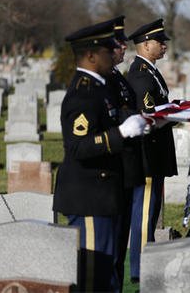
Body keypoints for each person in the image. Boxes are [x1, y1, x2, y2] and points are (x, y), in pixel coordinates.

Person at [53, 21, 147, 292]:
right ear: (92, 56)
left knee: (108, 275)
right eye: (108, 49)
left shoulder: (101, 87)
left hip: (104, 194)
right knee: (95, 279)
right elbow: (78, 147)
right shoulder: (83, 94)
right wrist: (120, 134)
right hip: (89, 198)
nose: (115, 52)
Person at [126, 19, 178, 283]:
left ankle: (143, 265)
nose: (164, 46)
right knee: (145, 213)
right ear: (146, 45)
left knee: (150, 210)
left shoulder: (150, 71)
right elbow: (149, 115)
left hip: (154, 155)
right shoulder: (140, 75)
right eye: (160, 42)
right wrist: (174, 114)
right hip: (147, 156)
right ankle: (140, 269)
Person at [104, 15, 143, 291]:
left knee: (119, 242)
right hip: (114, 168)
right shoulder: (104, 80)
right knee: (113, 245)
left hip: (127, 166)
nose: (124, 48)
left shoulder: (117, 76)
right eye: (119, 44)